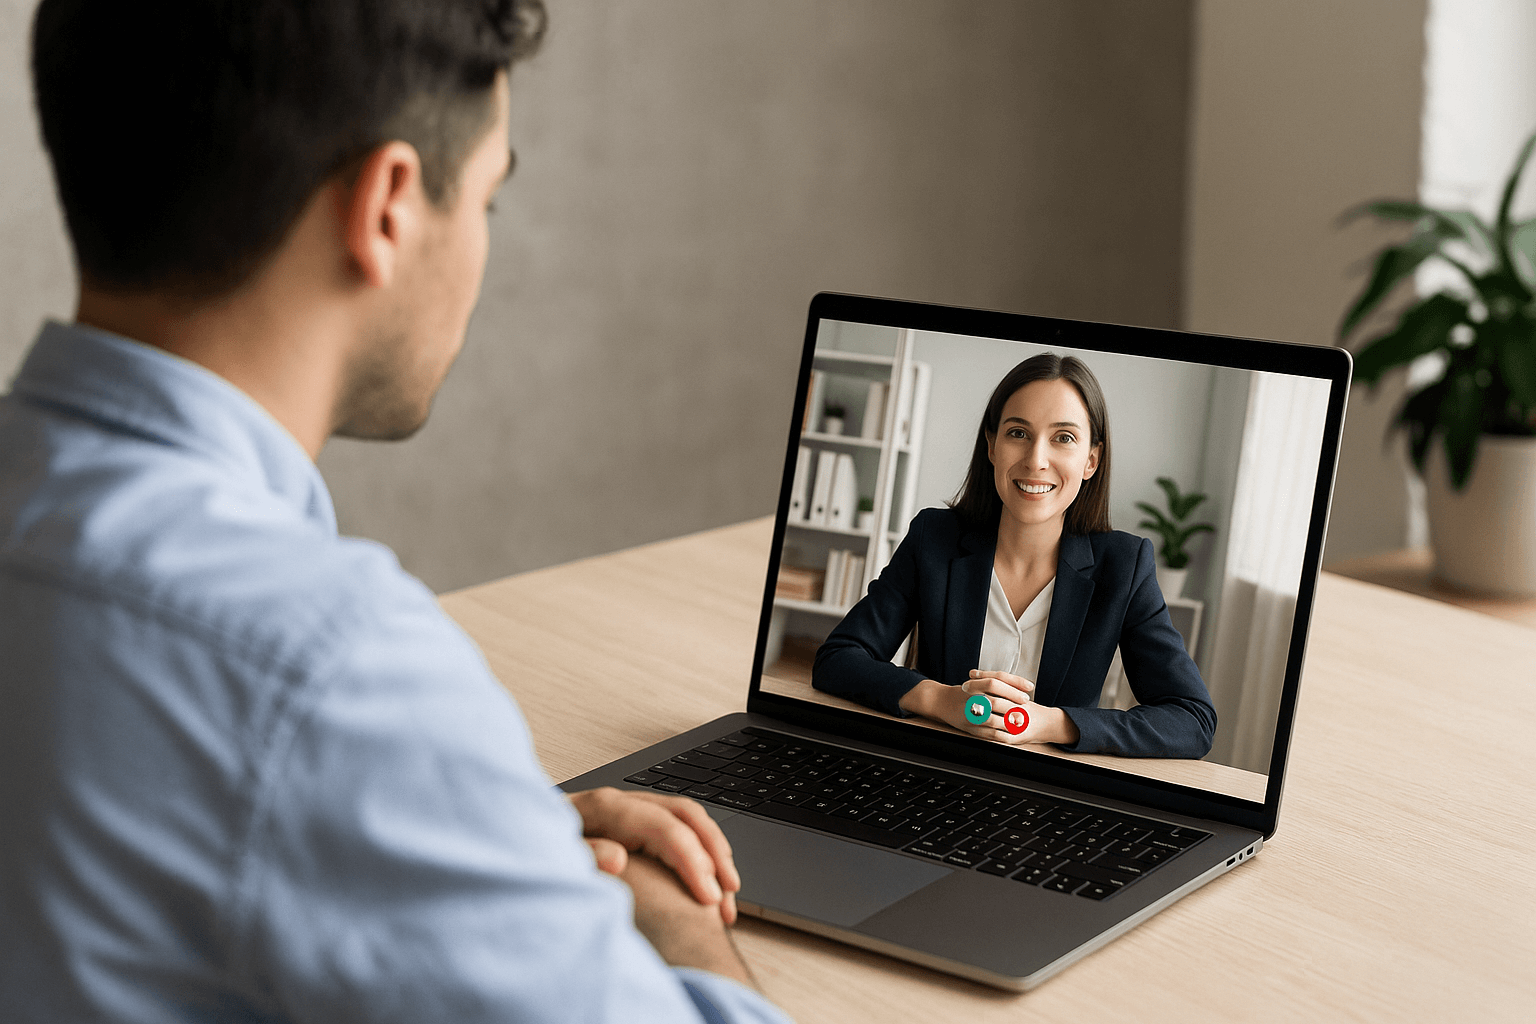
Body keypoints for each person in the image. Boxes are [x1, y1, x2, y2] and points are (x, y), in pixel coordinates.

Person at [0, 2, 791, 1022]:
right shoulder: (327, 672)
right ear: (387, 205)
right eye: (488, 201)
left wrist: (477, 845)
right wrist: (669, 918)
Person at [812, 353, 1217, 759]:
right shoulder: (934, 538)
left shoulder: (1125, 566)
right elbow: (838, 659)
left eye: (1064, 438)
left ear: (1091, 460)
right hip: (934, 768)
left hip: (1049, 792)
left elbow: (1192, 719)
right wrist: (939, 700)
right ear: (991, 446)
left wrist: (1054, 723)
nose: (1036, 460)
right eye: (1018, 433)